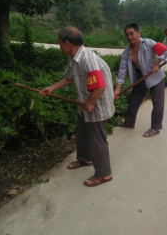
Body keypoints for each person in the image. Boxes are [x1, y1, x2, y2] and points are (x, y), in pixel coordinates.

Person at [40, 26, 115, 187]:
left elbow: (99, 87)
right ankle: (85, 158)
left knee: (97, 140)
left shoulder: (87, 60)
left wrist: (89, 103)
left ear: (67, 43)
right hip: (85, 104)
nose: (59, 46)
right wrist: (52, 87)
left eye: (59, 43)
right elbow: (69, 78)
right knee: (82, 133)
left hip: (96, 105)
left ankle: (104, 174)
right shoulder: (75, 59)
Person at [114, 23, 167, 137]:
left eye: (132, 34)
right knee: (133, 98)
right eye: (127, 35)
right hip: (141, 77)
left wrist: (156, 63)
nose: (129, 37)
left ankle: (155, 128)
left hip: (155, 76)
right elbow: (122, 71)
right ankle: (129, 123)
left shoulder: (149, 43)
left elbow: (165, 51)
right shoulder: (126, 53)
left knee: (157, 102)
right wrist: (117, 90)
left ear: (138, 33)